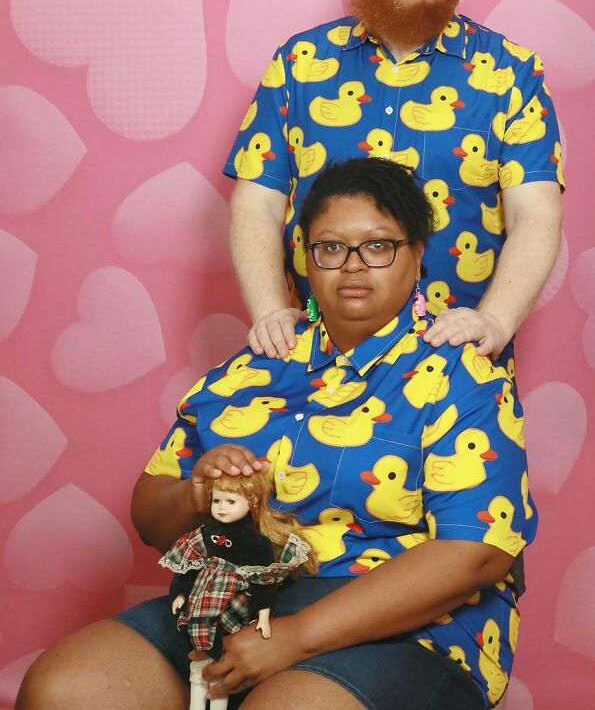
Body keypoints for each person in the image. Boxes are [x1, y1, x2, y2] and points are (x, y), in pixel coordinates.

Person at [17, 158, 536, 710]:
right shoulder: (253, 367)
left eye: (379, 246)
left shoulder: (463, 376)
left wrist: (294, 636)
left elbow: (477, 553)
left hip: (401, 627)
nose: (353, 266)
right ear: (307, 259)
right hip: (223, 606)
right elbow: (150, 514)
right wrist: (200, 492)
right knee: (64, 689)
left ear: (416, 255)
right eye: (331, 248)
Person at [227, 0, 564, 372]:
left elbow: (536, 215)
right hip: (311, 362)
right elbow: (257, 201)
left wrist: (494, 321)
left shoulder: (513, 76)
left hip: (454, 370)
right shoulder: (298, 63)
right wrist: (272, 311)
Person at [162, 473, 314, 710]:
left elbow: (263, 581)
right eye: (217, 501)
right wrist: (180, 593)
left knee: (222, 658)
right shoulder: (205, 534)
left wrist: (264, 616)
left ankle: (217, 702)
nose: (222, 508)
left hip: (236, 598)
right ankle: (196, 703)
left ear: (251, 503)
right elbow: (189, 567)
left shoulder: (256, 542)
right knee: (200, 653)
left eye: (230, 502)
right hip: (205, 595)